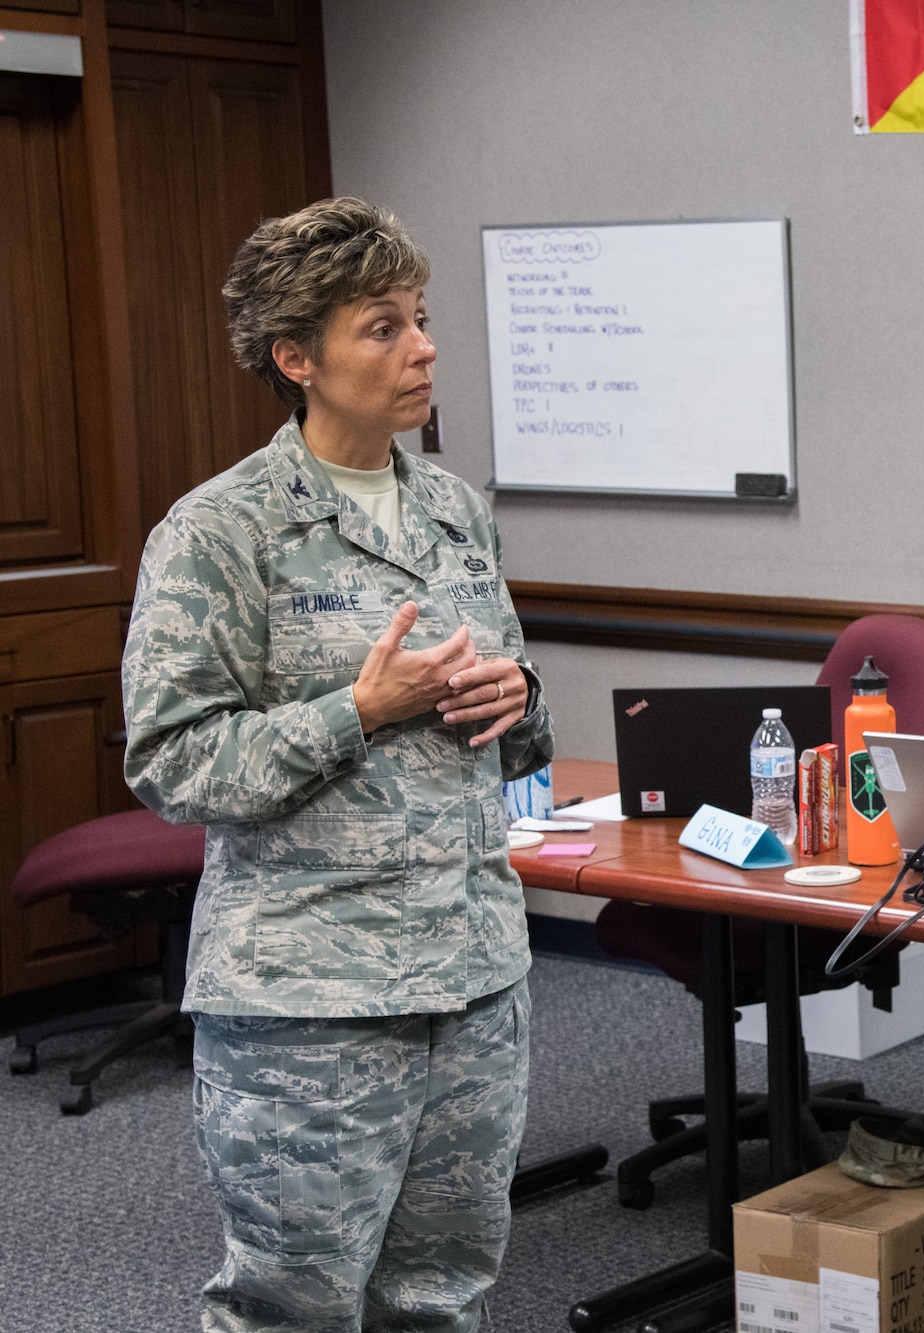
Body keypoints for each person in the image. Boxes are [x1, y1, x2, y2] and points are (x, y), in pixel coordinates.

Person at [122, 197, 554, 1332]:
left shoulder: (456, 512)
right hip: (310, 1000)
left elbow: (514, 725)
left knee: (441, 1299)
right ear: (295, 357)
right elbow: (172, 760)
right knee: (290, 1309)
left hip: (472, 974)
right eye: (382, 327)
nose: (422, 349)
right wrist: (355, 712)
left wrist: (519, 699)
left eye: (420, 319)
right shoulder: (222, 532)